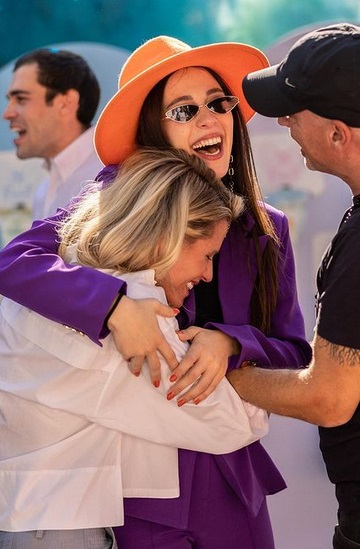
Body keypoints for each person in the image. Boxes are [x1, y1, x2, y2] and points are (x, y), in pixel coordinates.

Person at [0, 36, 312, 549]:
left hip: (230, 478)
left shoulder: (265, 227)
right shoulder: (111, 200)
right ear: (153, 130)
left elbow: (294, 350)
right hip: (132, 487)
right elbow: (15, 262)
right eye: (184, 110)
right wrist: (116, 308)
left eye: (219, 103)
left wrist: (231, 342)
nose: (209, 119)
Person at [0, 146, 269, 549]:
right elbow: (229, 426)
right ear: (170, 237)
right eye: (207, 255)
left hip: (30, 519)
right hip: (60, 530)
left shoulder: (59, 279)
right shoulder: (135, 314)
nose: (209, 275)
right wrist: (232, 359)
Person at [227, 22, 360, 548]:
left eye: (295, 109)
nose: (283, 120)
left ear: (338, 133)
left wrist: (223, 373)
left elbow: (329, 398)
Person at [3, 48, 103, 219]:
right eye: (10, 101)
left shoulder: (112, 177)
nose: (7, 114)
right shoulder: (43, 192)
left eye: (21, 99)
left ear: (66, 103)